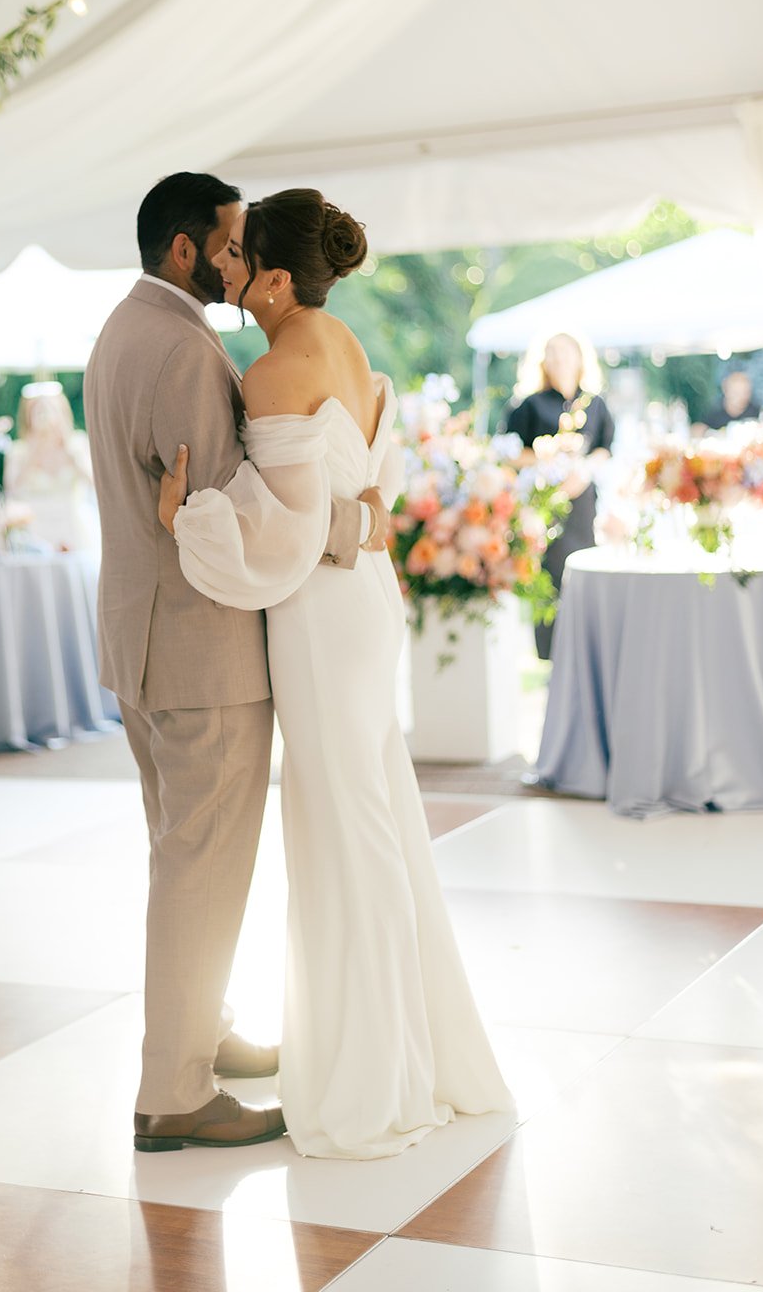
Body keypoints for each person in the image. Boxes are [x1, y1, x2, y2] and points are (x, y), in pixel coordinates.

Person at [158, 189, 512, 1160]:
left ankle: (373, 1082)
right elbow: (363, 510)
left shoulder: (272, 371)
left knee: (345, 828)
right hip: (366, 606)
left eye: (238, 256)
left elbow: (284, 536)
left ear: (276, 279)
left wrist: (189, 519)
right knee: (375, 814)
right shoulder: (347, 345)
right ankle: (406, 1055)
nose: (222, 265)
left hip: (319, 619)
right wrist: (349, 526)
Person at [84, 174, 386, 1155]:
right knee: (201, 867)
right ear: (183, 249)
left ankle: (201, 1032)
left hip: (142, 640)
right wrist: (355, 525)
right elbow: (239, 509)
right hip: (200, 648)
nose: (234, 262)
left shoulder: (122, 329)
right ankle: (175, 1089)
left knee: (183, 853)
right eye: (223, 245)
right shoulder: (183, 349)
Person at [506, 332, 615, 660]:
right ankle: (551, 654)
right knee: (551, 577)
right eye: (551, 353)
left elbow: (605, 448)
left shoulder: (595, 404)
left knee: (586, 572)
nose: (559, 359)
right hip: (545, 508)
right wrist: (547, 458)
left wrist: (583, 470)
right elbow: (511, 452)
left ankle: (589, 650)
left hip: (583, 506)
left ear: (580, 358)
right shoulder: (529, 404)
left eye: (565, 352)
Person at [4, 382, 97, 551]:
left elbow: (94, 483)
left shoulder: (77, 443)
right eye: (37, 410)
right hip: (35, 533)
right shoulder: (19, 451)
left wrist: (68, 450)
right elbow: (11, 492)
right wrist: (34, 452)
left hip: (74, 529)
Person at [701, 368, 760, 433]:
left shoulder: (756, 413)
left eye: (745, 392)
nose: (741, 397)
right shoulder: (714, 412)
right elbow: (700, 428)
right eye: (736, 392)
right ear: (725, 390)